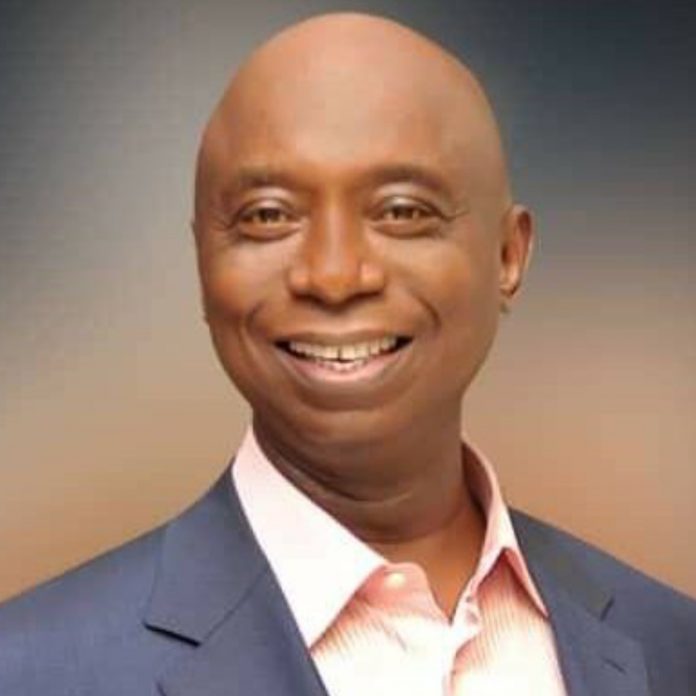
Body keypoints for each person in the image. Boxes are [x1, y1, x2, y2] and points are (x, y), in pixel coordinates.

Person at [0, 12, 694, 696]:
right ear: (203, 261)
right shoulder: (32, 670)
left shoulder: (671, 646)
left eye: (402, 211)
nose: (333, 276)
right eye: (268, 216)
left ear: (508, 256)